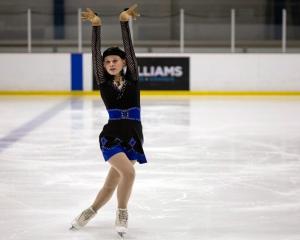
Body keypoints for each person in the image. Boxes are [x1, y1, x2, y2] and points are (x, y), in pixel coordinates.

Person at [70, 4, 147, 237]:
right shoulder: (103, 82)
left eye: (115, 60)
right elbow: (95, 53)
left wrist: (124, 22)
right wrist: (96, 26)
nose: (110, 64)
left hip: (133, 136)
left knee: (112, 183)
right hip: (112, 135)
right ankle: (122, 213)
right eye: (107, 62)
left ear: (123, 63)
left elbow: (130, 50)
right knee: (129, 174)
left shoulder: (133, 78)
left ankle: (90, 211)